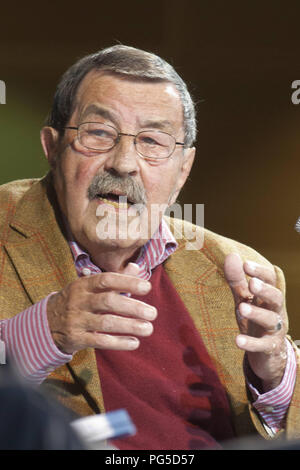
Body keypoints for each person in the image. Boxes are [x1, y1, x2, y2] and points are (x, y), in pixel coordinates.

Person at [0, 44, 299, 450]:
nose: (123, 163)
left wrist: (276, 373)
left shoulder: (238, 269)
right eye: (99, 133)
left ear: (183, 170)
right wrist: (45, 331)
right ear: (52, 148)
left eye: (153, 141)